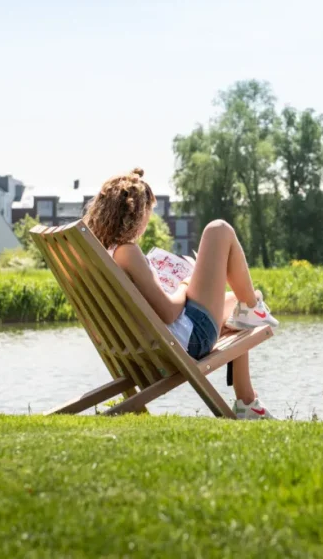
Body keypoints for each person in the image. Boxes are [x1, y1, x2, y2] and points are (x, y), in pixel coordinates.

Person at [85, 168, 279, 419]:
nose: (147, 221)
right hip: (188, 340)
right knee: (218, 230)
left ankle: (247, 401)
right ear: (136, 213)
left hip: (155, 345)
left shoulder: (104, 254)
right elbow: (168, 311)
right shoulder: (127, 252)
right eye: (148, 213)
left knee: (237, 303)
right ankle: (254, 306)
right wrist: (185, 284)